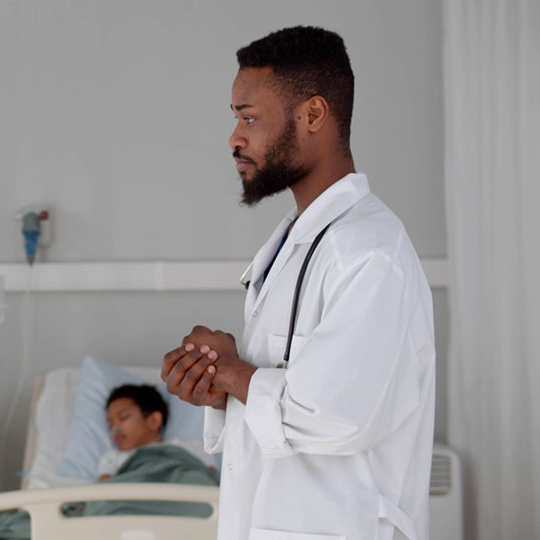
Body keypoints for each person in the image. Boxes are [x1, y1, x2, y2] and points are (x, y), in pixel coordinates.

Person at [161, 27, 435, 540]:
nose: (234, 138)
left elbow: (336, 414)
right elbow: (284, 395)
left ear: (312, 115)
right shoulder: (298, 241)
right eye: (235, 118)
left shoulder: (369, 252)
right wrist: (218, 382)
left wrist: (231, 372)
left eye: (248, 118)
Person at [99, 384, 214, 481]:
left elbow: (209, 484)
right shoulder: (112, 459)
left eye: (123, 417)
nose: (115, 429)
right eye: (111, 424)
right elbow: (103, 495)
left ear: (153, 421)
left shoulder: (194, 449)